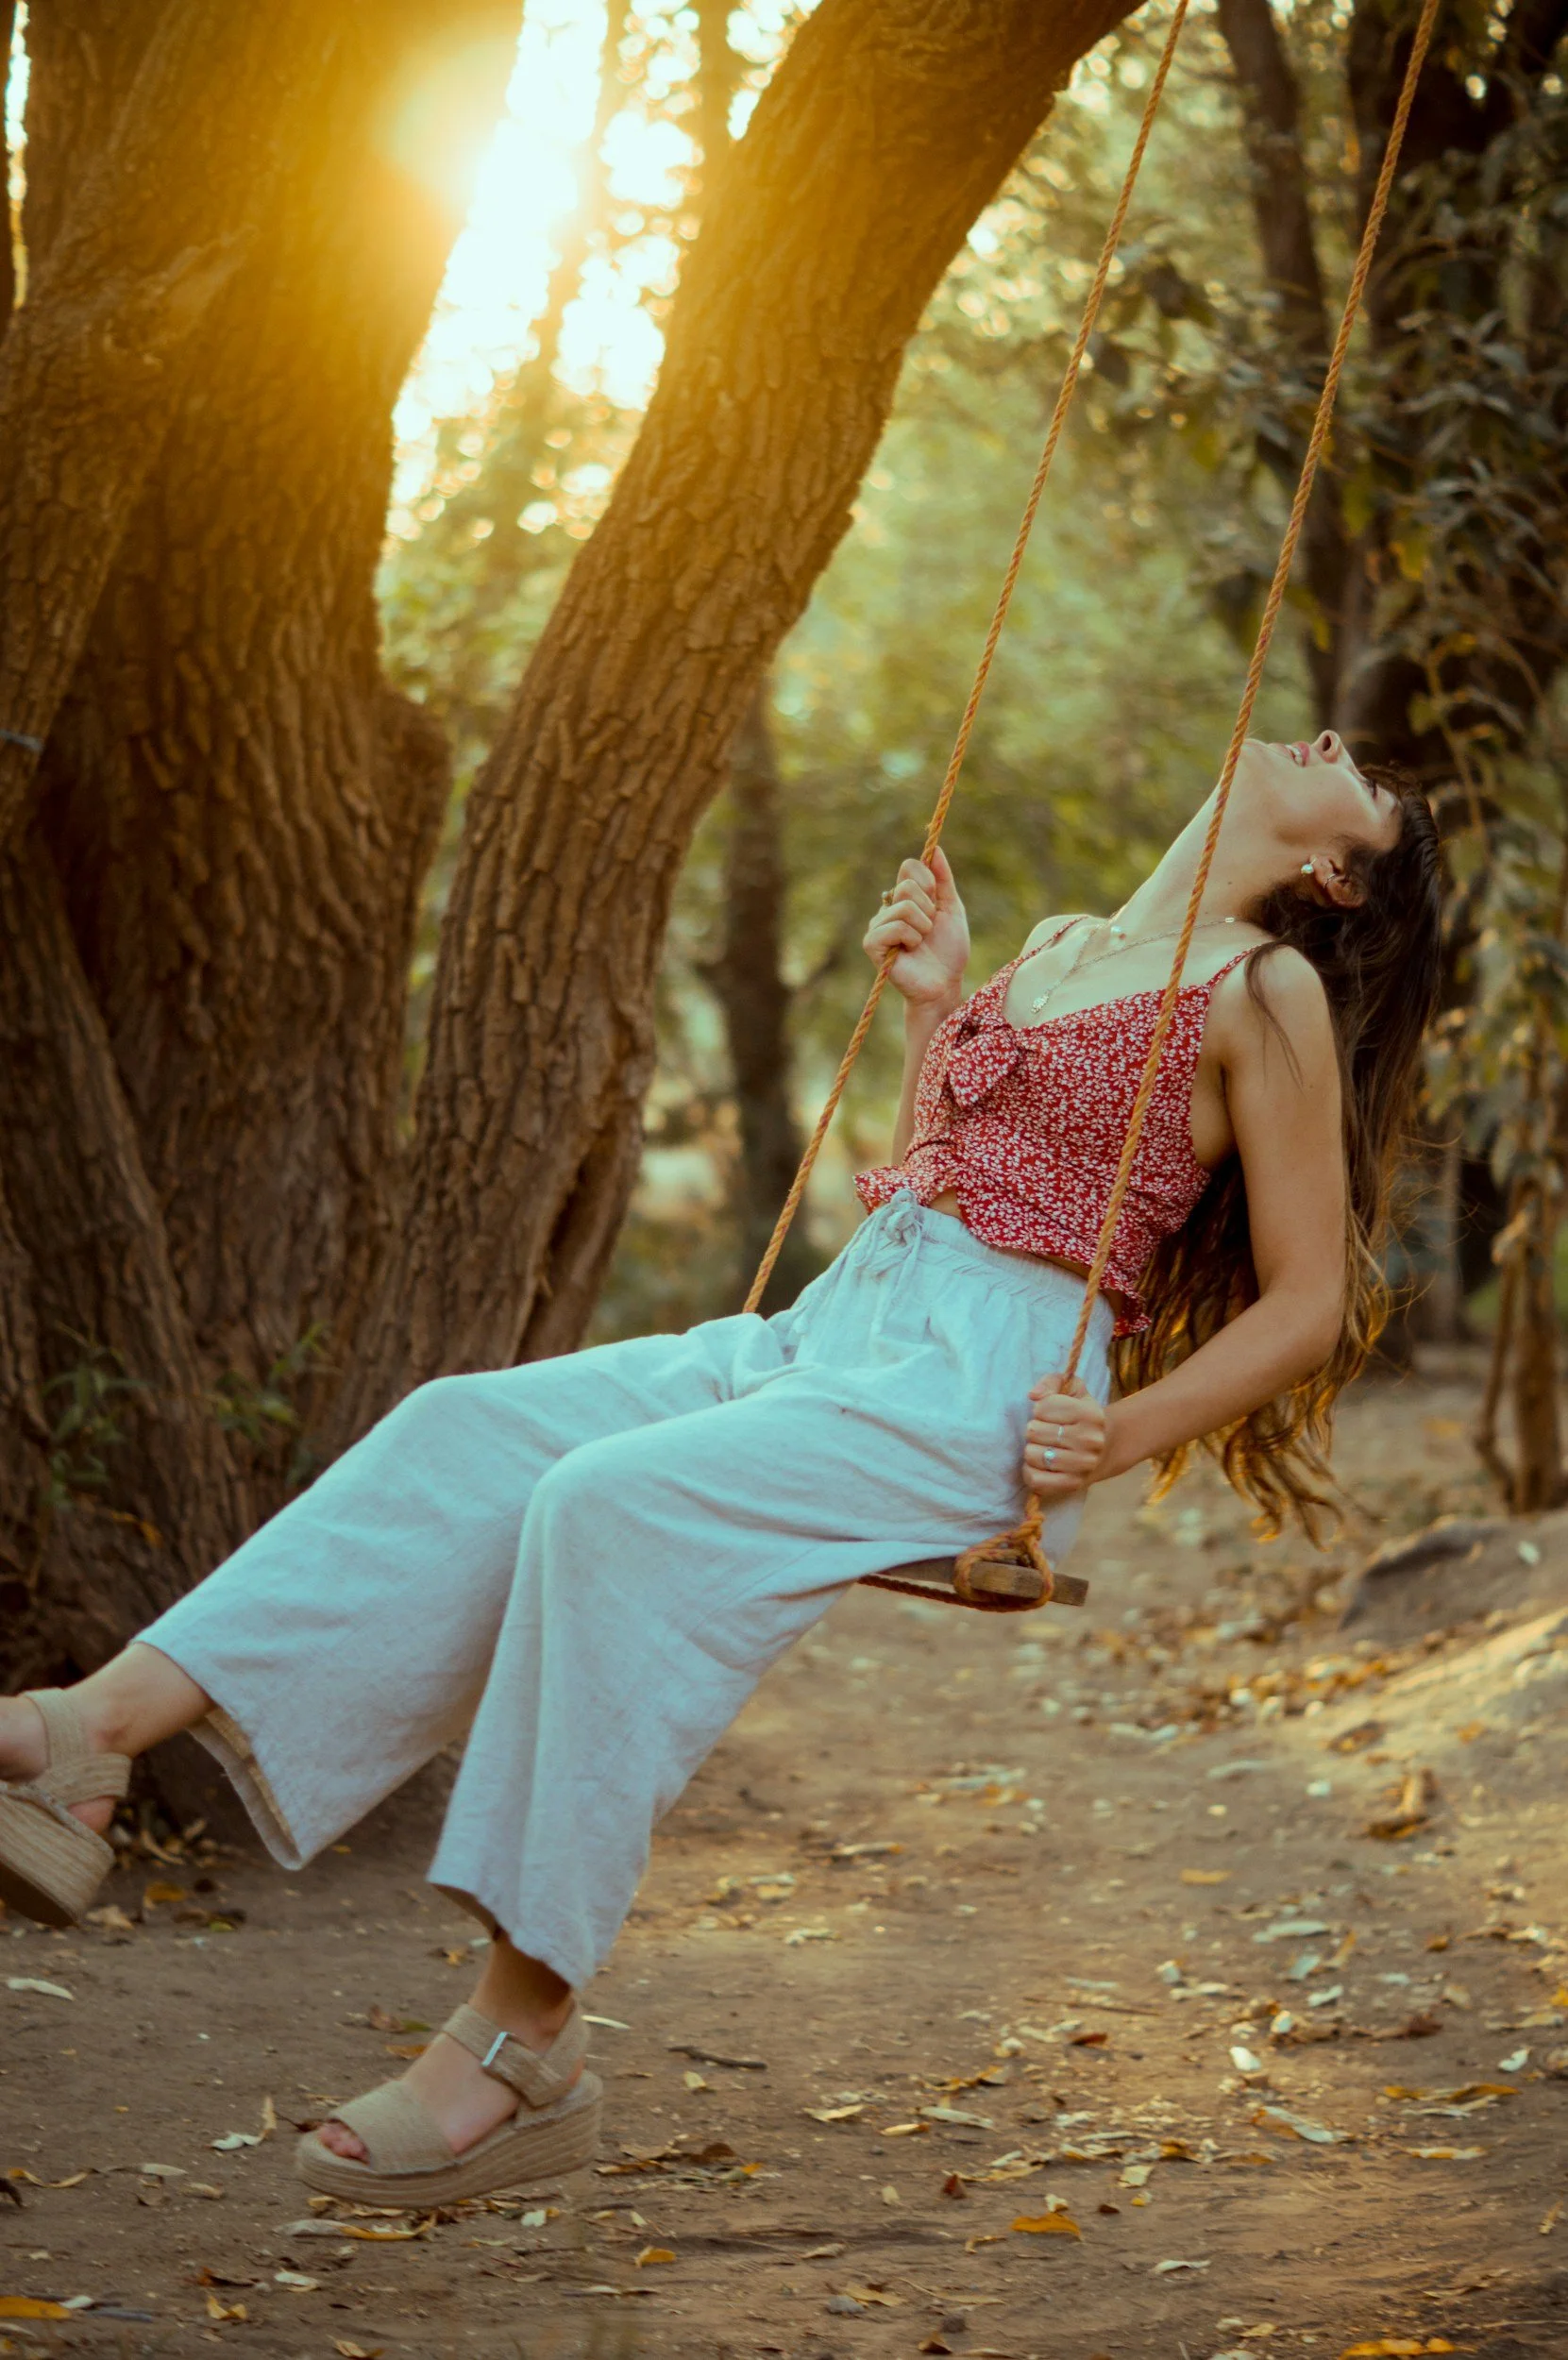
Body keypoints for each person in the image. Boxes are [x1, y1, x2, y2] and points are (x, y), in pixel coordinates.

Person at [0, 729, 1442, 2205]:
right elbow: (924, 1175)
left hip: (985, 1387)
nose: (1331, 739)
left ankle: (524, 2039)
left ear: (1334, 871)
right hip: (849, 1320)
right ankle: (91, 1737)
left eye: (1369, 781)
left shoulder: (1266, 995)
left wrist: (1118, 1433)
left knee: (608, 1508)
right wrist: (936, 1010)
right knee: (466, 1428)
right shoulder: (1063, 943)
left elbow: (1310, 1298)